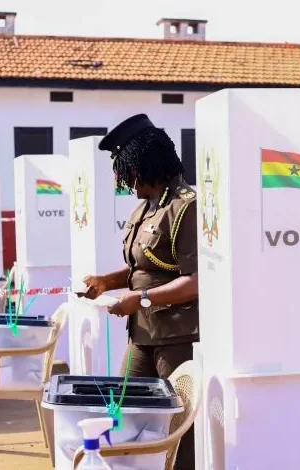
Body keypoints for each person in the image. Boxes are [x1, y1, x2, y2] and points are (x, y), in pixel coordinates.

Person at [80, 114, 199, 470]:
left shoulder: (186, 207)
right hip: (142, 334)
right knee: (124, 415)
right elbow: (141, 269)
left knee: (178, 426)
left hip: (176, 335)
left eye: (127, 171)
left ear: (146, 165)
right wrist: (106, 281)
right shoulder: (145, 206)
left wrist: (142, 299)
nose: (122, 181)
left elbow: (196, 281)